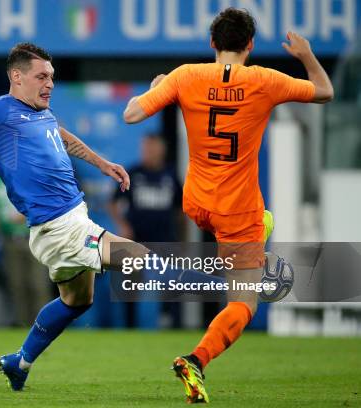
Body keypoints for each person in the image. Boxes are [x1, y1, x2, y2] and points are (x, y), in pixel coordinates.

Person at [0, 43, 220, 392]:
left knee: (77, 301)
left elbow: (64, 139)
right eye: (41, 76)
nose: (49, 83)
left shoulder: (43, 114)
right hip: (60, 227)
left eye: (51, 76)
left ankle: (20, 362)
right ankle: (237, 284)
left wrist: (102, 163)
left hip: (65, 224)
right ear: (16, 77)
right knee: (139, 259)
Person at [124, 8, 333, 403]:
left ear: (212, 44)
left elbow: (132, 113)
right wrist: (305, 55)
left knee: (258, 220)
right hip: (237, 211)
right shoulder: (264, 80)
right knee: (244, 304)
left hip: (197, 202)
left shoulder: (186, 75)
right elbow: (324, 92)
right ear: (250, 45)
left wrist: (156, 87)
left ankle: (261, 226)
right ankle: (196, 360)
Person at [108, 133, 183, 328]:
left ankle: (171, 323)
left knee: (170, 285)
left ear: (162, 150)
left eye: (152, 148)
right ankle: (129, 326)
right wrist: (123, 225)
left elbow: (180, 209)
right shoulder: (133, 172)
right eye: (145, 148)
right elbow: (113, 203)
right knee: (131, 285)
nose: (148, 152)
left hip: (164, 240)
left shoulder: (171, 175)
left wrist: (181, 237)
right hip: (136, 242)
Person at [0, 166, 53, 327]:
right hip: (9, 237)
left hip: (35, 236)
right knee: (17, 286)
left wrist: (29, 214)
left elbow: (49, 196)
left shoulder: (34, 163)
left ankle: (45, 328)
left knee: (38, 286)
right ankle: (24, 328)